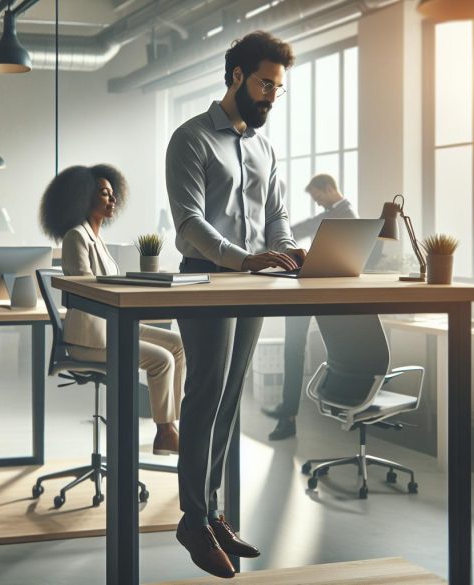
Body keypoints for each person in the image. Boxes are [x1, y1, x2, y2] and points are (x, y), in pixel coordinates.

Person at [165, 31, 305, 579]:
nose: (271, 94)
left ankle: (212, 510)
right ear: (237, 76)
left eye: (278, 87)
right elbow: (189, 223)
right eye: (265, 83)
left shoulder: (265, 149)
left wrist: (290, 252)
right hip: (205, 280)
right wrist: (244, 259)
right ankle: (192, 520)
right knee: (203, 395)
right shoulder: (192, 138)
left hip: (253, 284)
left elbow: (279, 218)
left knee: (228, 399)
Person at [39, 164, 185, 456]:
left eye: (112, 194)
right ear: (84, 198)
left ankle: (175, 424)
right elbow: (86, 289)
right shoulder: (76, 237)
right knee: (162, 360)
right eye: (104, 194)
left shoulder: (97, 237)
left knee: (178, 345)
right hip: (90, 340)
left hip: (112, 326)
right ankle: (164, 431)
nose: (112, 200)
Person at [266, 174, 358, 441]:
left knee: (297, 346)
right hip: (314, 287)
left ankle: (290, 414)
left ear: (329, 189)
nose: (317, 203)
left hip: (329, 292)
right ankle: (288, 414)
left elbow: (308, 230)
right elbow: (304, 228)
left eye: (318, 197)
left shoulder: (345, 215)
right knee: (293, 345)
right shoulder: (334, 213)